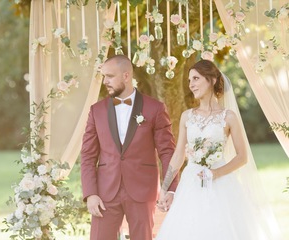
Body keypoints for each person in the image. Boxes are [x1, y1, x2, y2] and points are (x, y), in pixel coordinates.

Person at [155, 59, 282, 240]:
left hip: (221, 184)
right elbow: (178, 155)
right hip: (191, 182)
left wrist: (215, 173)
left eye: (196, 79)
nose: (191, 84)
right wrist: (165, 188)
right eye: (190, 80)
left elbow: (242, 157)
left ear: (212, 80)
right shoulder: (187, 116)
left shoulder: (228, 117)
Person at [80, 55, 179, 240]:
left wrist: (170, 188)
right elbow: (87, 155)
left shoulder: (155, 108)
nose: (105, 81)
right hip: (105, 193)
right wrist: (90, 193)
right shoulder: (97, 110)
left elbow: (167, 152)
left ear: (126, 76)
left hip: (143, 190)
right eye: (103, 76)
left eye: (109, 76)